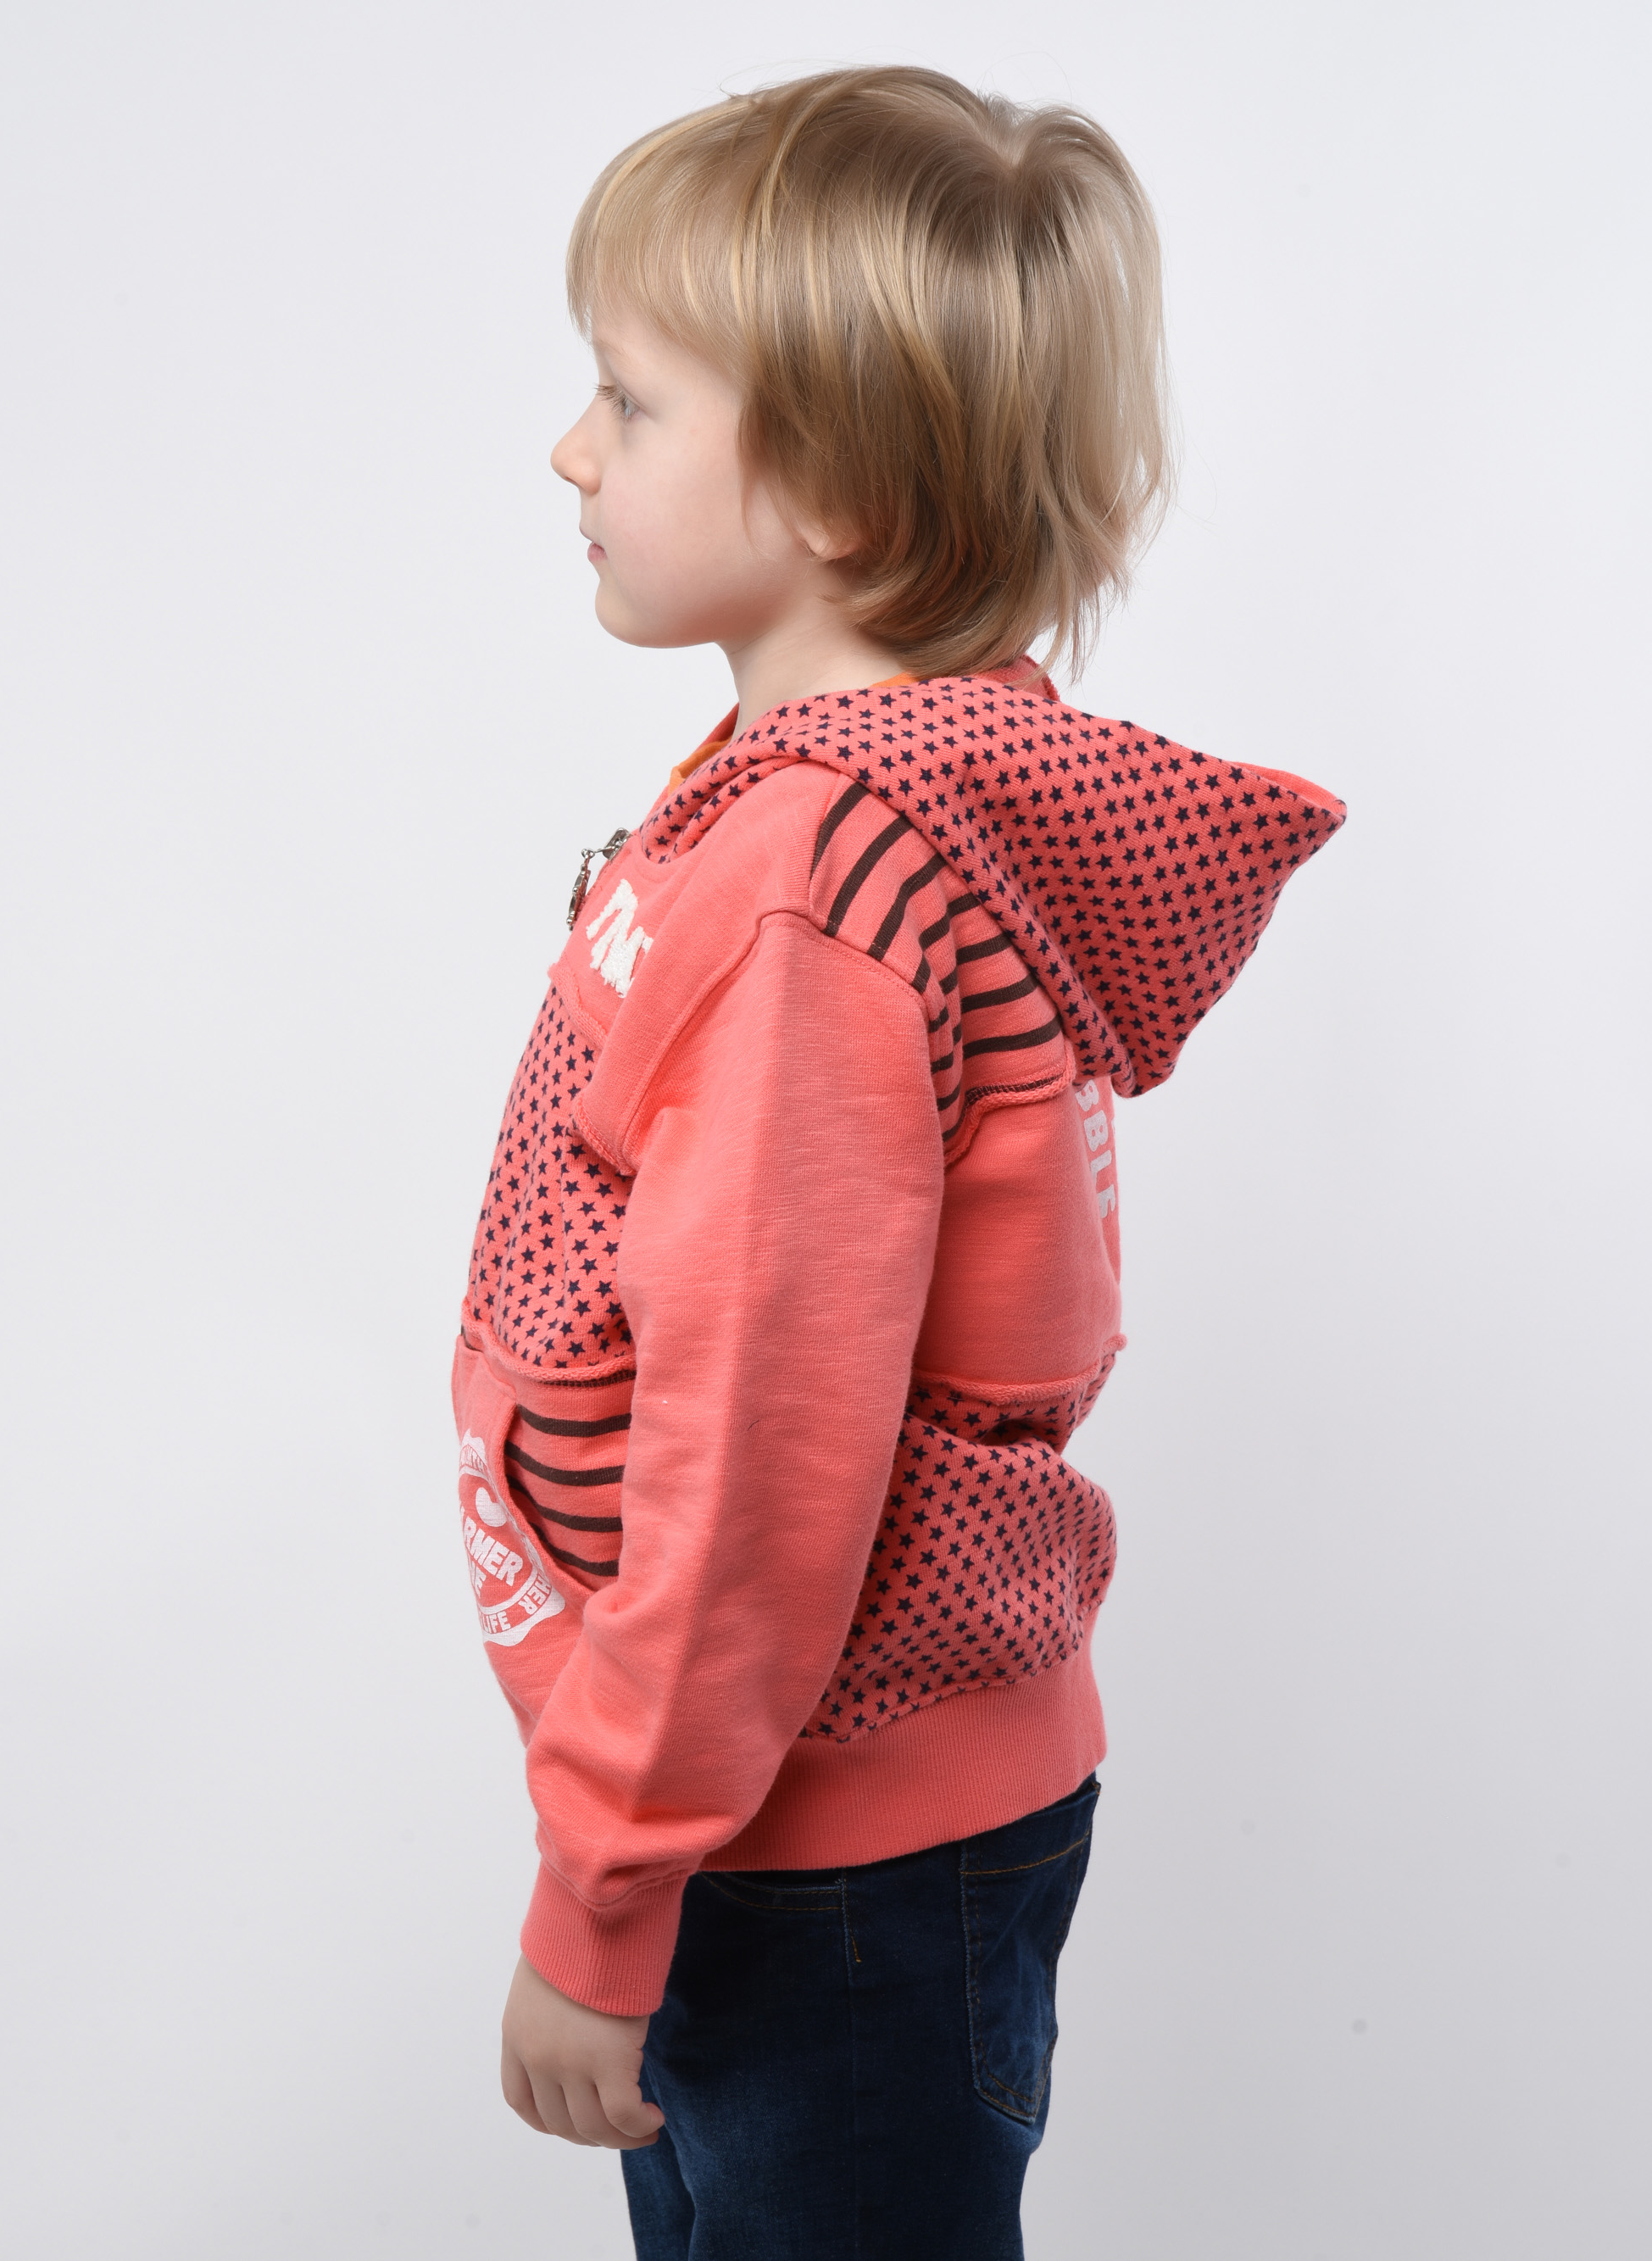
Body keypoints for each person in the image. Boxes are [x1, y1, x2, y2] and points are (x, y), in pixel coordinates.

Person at [451, 65, 1343, 2259]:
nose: (571, 450)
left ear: (839, 492)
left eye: (630, 400)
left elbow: (763, 1447)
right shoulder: (878, 798)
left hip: (808, 1857)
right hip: (803, 1822)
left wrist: (602, 1891)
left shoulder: (815, 894)